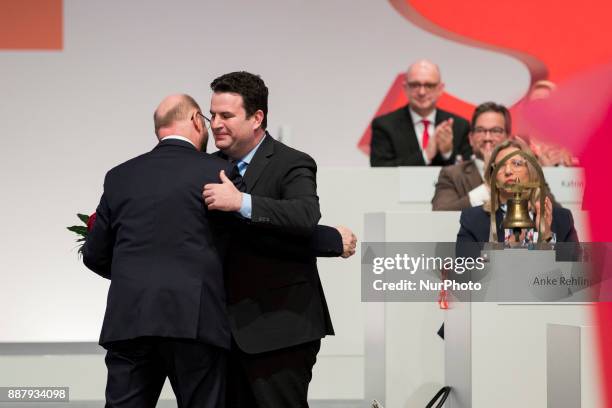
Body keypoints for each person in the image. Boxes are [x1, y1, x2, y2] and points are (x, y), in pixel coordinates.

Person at [201, 71, 355, 408]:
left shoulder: (291, 162)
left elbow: (303, 215)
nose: (215, 124)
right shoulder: (207, 166)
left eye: (226, 115)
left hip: (281, 329)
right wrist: (331, 241)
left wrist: (240, 202)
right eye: (212, 114)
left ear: (257, 118)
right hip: (221, 334)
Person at [82, 94, 239, 408]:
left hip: (130, 319)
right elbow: (241, 243)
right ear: (197, 120)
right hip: (195, 319)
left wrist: (133, 275)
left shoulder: (119, 176)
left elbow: (94, 254)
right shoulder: (219, 173)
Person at [457, 139, 578, 243]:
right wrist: (507, 251)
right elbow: (468, 268)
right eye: (501, 165)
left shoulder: (561, 219)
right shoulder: (473, 220)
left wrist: (546, 237)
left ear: (531, 170)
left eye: (517, 164)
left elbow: (573, 267)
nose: (508, 171)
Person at [370, 59, 471, 166]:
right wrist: (426, 155)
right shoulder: (384, 125)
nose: (422, 92)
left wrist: (447, 153)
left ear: (440, 89)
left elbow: (469, 172)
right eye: (415, 85)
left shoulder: (459, 126)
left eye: (429, 85)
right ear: (405, 88)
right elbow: (380, 170)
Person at [432, 102, 510, 210]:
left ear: (508, 138)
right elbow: (440, 213)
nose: (487, 137)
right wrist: (488, 186)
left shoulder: (523, 171)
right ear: (470, 138)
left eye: (495, 131)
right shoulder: (451, 175)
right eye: (480, 131)